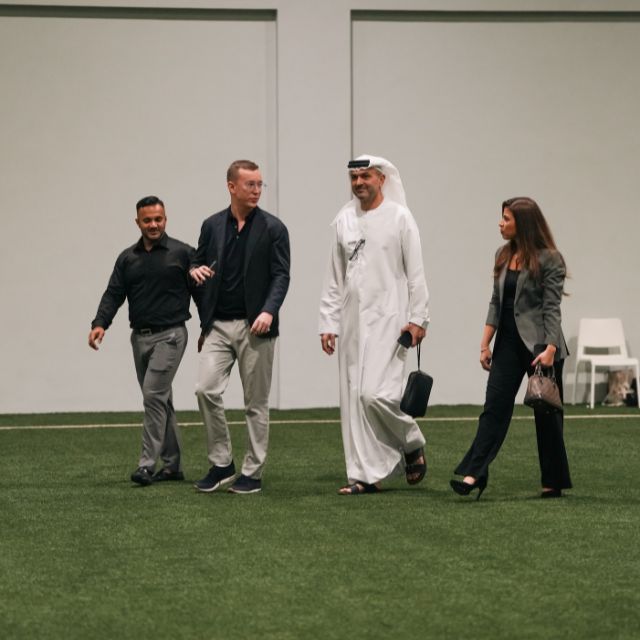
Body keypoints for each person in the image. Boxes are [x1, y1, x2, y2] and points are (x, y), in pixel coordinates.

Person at [318, 155, 430, 495]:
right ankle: (364, 475)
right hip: (352, 321)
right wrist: (329, 322)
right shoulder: (343, 219)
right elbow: (335, 277)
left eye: (365, 176)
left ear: (381, 179)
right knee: (353, 397)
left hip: (390, 320)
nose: (358, 183)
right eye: (354, 177)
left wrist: (418, 318)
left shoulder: (400, 218)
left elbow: (416, 273)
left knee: (375, 395)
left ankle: (411, 441)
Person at [450, 197, 572, 500]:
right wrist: (484, 343)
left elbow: (551, 308)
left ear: (523, 223)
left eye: (506, 218)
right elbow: (496, 302)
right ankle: (474, 474)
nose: (500, 224)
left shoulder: (550, 258)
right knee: (494, 409)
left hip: (542, 346)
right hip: (506, 344)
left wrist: (552, 348)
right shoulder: (502, 254)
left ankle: (552, 482)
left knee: (547, 417)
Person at [190, 160, 290, 495]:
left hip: (256, 327)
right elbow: (198, 261)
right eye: (250, 185)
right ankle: (222, 464)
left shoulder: (274, 228)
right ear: (232, 186)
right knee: (206, 390)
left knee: (255, 403)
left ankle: (253, 472)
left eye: (261, 184)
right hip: (217, 325)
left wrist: (269, 311)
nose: (257, 190)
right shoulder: (211, 225)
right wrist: (195, 271)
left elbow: (281, 275)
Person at [88, 196, 201, 486]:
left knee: (152, 395)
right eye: (147, 220)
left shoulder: (183, 253)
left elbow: (202, 293)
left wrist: (208, 327)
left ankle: (146, 465)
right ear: (137, 222)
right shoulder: (128, 258)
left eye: (158, 219)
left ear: (166, 219)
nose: (153, 224)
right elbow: (114, 293)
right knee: (161, 400)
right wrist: (100, 323)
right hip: (139, 338)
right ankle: (173, 466)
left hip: (172, 336)